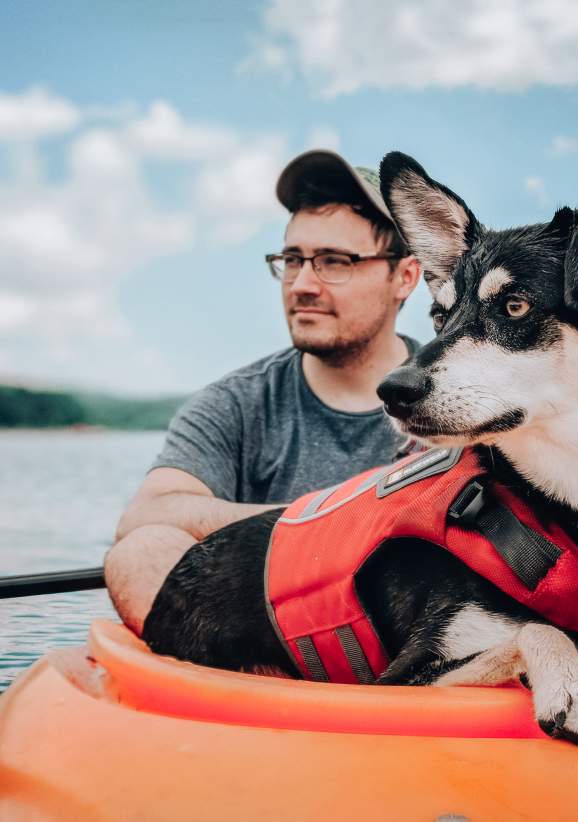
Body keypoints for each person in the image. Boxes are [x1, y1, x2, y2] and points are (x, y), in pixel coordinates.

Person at [105, 150, 422, 634]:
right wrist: (337, 522)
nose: (302, 284)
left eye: (334, 262)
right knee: (140, 554)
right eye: (293, 260)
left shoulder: (458, 393)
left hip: (422, 633)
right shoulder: (236, 403)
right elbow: (147, 514)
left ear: (405, 277)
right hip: (274, 645)